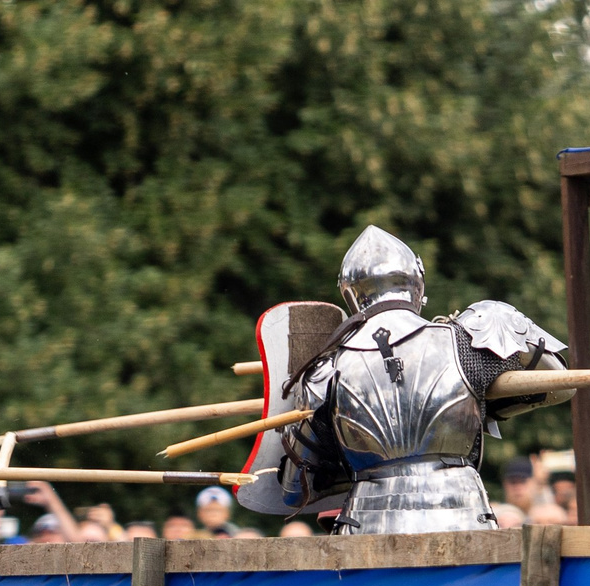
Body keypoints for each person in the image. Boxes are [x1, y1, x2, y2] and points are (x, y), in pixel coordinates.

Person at [240, 226, 569, 534]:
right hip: (464, 516)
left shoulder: (323, 371)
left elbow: (294, 491)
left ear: (349, 294)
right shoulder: (473, 333)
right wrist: (485, 402)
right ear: (417, 283)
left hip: (367, 525)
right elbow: (561, 384)